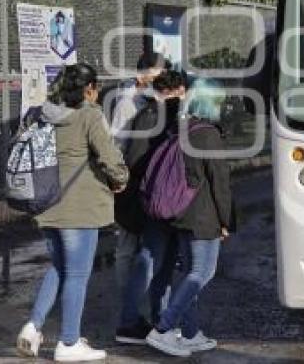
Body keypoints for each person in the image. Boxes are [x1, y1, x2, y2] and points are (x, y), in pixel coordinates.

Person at [16, 64, 128, 362]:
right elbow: (108, 156)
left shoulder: (42, 114)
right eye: (97, 88)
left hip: (46, 202)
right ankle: (68, 342)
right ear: (88, 88)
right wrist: (121, 179)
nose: (98, 93)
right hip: (80, 208)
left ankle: (32, 327)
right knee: (77, 275)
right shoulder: (89, 115)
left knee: (60, 268)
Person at [145, 78, 233, 357]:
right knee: (202, 273)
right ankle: (163, 329)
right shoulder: (209, 135)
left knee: (188, 274)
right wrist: (226, 220)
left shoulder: (183, 129)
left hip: (181, 214)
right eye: (220, 101)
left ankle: (191, 334)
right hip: (203, 217)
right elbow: (219, 182)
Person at [114, 69, 186, 345]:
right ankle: (138, 321)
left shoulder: (147, 114)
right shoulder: (164, 116)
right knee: (153, 261)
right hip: (161, 201)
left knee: (157, 261)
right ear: (177, 90)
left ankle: (155, 321)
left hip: (152, 199)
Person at [110, 51, 168, 298]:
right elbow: (117, 144)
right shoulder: (128, 102)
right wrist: (120, 180)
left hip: (149, 181)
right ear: (141, 75)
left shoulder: (153, 99)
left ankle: (142, 300)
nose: (161, 77)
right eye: (157, 72)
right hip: (130, 182)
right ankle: (128, 304)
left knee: (146, 246)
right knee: (127, 245)